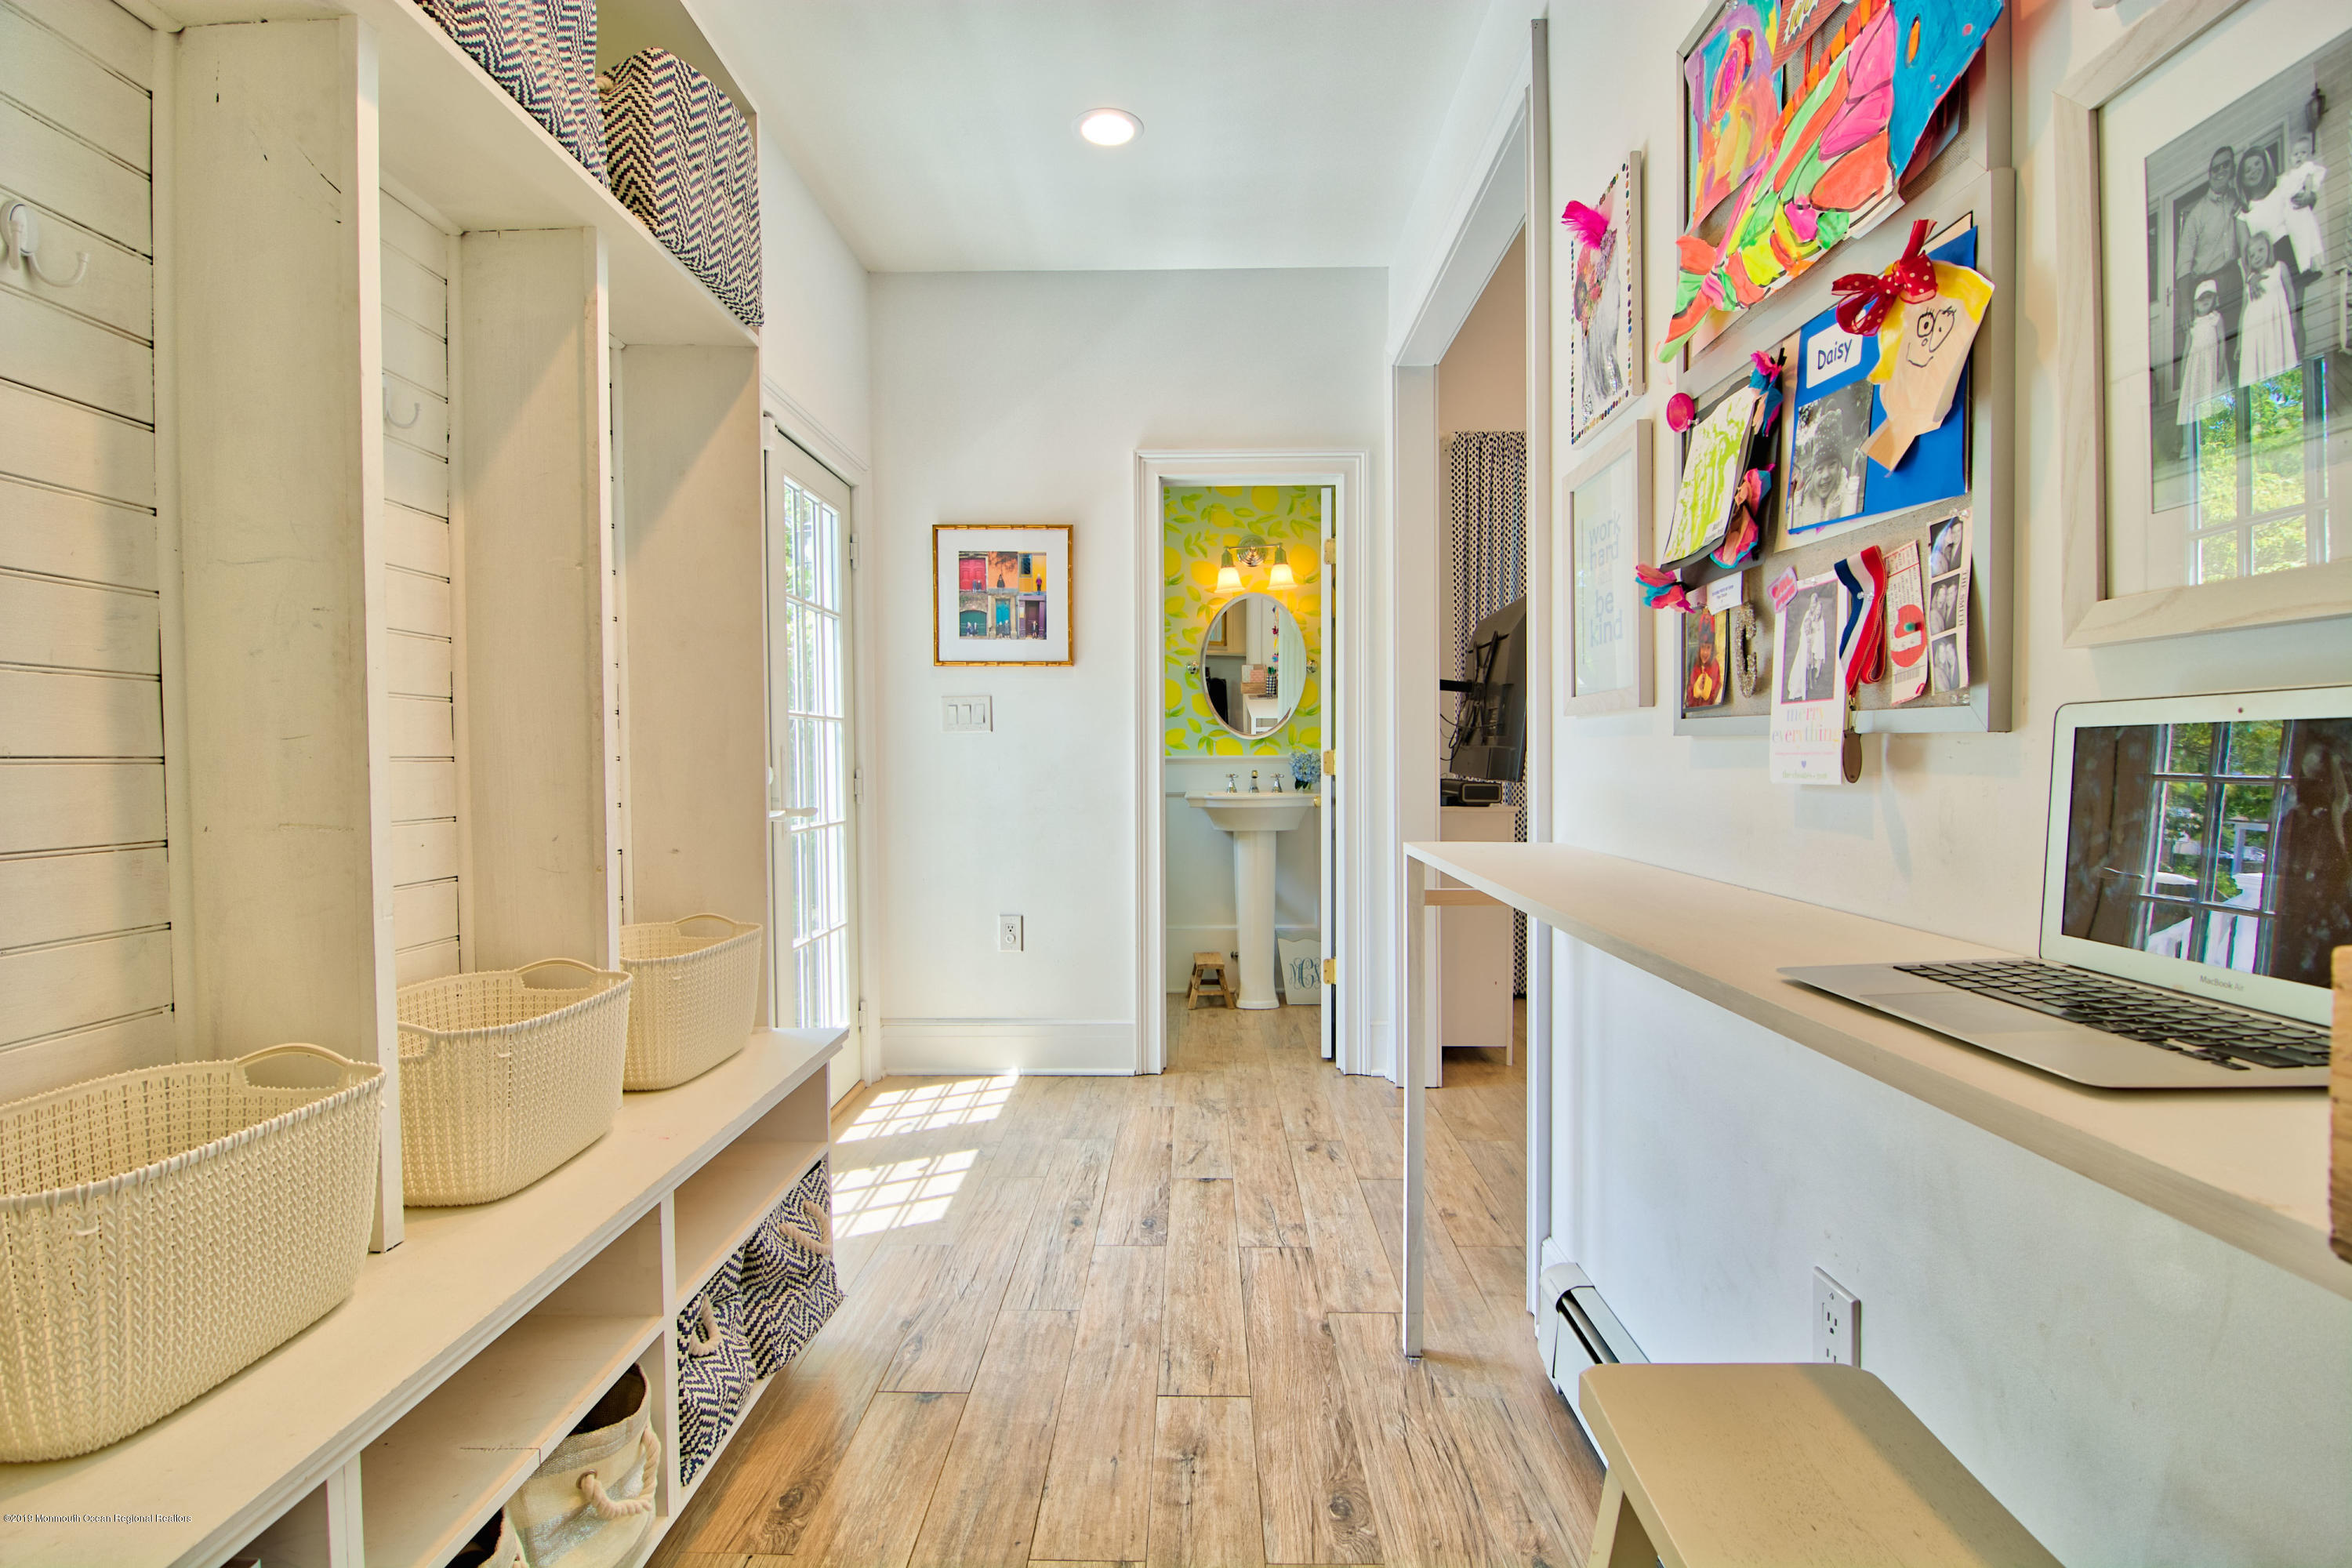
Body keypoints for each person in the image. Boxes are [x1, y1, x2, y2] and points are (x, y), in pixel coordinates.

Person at [2172, 144, 2242, 405]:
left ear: (2233, 169)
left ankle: (2240, 417)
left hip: (2234, 279)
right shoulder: (2196, 214)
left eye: (2226, 165)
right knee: (2204, 354)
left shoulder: (2238, 200)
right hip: (2206, 288)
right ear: (2209, 173)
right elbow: (2183, 263)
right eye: (2216, 167)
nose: (2221, 171)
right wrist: (2183, 306)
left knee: (2234, 347)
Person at [2238, 231, 2299, 386]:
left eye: (2260, 250)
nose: (2257, 256)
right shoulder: (2249, 282)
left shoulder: (2279, 268)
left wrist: (2293, 317)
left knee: (2277, 355)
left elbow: (2290, 291)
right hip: (2255, 330)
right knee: (2257, 363)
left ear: (2269, 249)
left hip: (2276, 324)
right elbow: (2243, 312)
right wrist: (2239, 342)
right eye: (2252, 255)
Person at [2176, 278, 2230, 444]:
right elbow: (2186, 351)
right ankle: (2196, 440)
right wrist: (2183, 374)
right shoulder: (2192, 324)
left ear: (2214, 299)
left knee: (2211, 396)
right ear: (2194, 303)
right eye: (2201, 298)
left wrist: (2220, 366)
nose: (2205, 301)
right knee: (2196, 398)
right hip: (2196, 368)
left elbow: (2222, 342)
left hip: (2211, 365)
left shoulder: (2216, 318)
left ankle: (2216, 436)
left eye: (2209, 297)